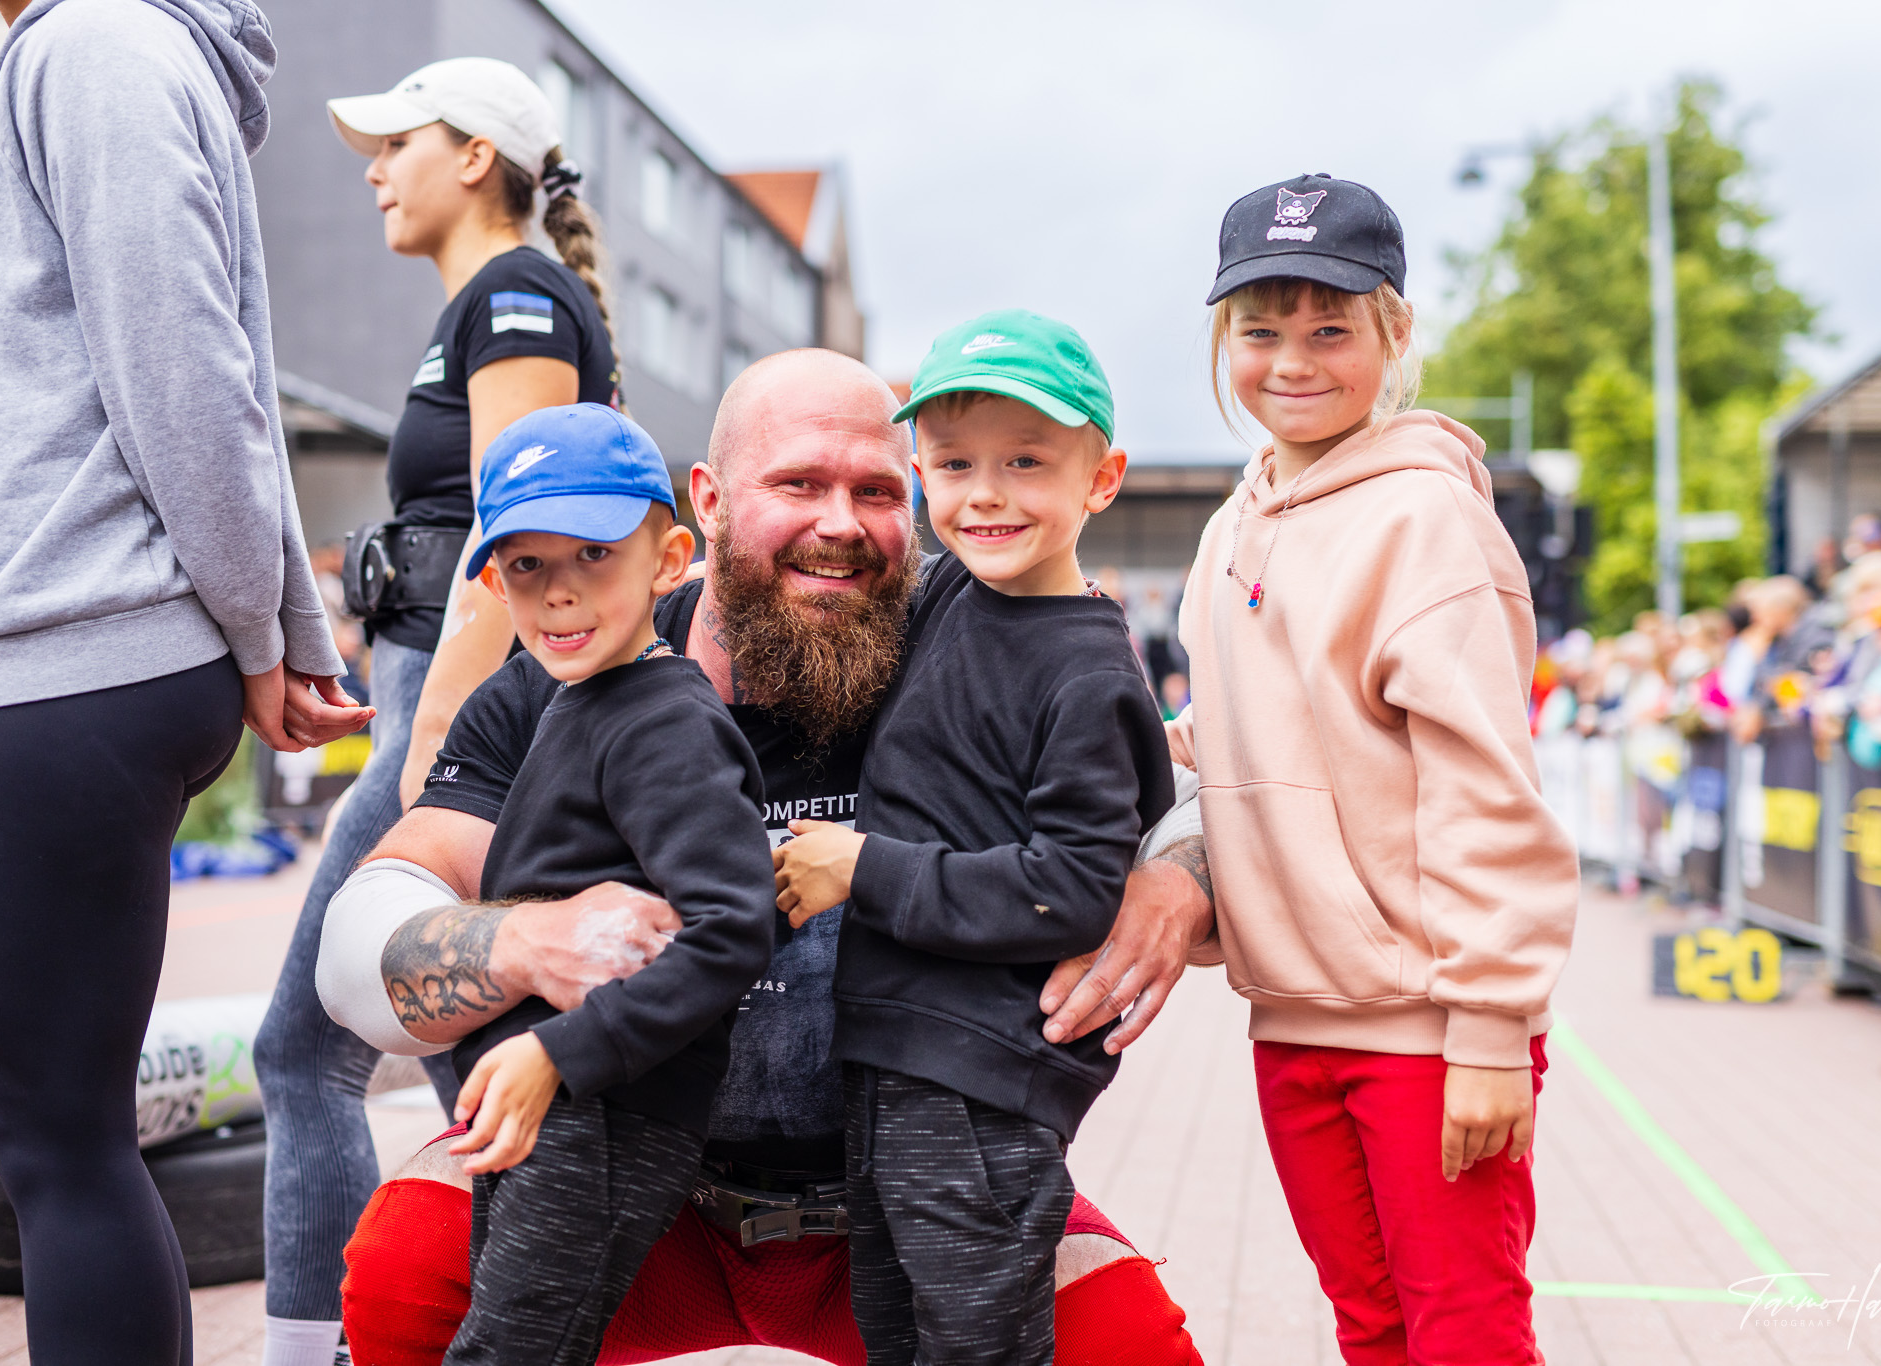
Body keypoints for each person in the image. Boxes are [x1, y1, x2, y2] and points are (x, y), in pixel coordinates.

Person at [317, 349, 1213, 1365]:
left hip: (908, 1200)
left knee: (1130, 1344)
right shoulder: (569, 673)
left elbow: (1186, 792)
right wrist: (522, 943)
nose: (839, 523)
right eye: (797, 483)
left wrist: (1174, 881)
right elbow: (355, 954)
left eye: (876, 491)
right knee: (403, 1268)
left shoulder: (976, 636)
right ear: (705, 504)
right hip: (636, 1199)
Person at [0, 0, 368, 1361]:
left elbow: (191, 377)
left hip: (74, 650)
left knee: (58, 1148)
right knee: (71, 1143)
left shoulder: (96, 44)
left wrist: (267, 636)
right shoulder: (99, 48)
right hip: (91, 649)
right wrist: (278, 628)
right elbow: (218, 372)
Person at [1169, 176, 1579, 1364]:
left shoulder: (1425, 520)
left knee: (1463, 1335)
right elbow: (1221, 739)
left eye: (1329, 328)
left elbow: (1481, 784)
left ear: (1393, 332)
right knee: (1371, 1328)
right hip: (1290, 1017)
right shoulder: (1233, 523)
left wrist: (1489, 1026)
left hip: (1430, 1026)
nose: (1291, 360)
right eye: (1259, 330)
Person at [254, 56, 624, 1366]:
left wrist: (429, 749)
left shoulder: (515, 295)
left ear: (474, 156)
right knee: (468, 1051)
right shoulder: (494, 300)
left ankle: (332, 1350)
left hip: (454, 715)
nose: (373, 170)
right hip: (435, 697)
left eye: (396, 143)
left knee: (304, 1052)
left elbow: (516, 536)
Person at [774, 311, 1175, 1366]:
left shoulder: (1088, 674)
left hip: (978, 1080)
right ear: (921, 474)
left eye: (1025, 462)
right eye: (955, 464)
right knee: (892, 1334)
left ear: (1101, 478)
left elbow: (1070, 889)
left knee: (975, 1344)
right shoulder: (950, 589)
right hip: (891, 1055)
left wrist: (861, 868)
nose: (985, 493)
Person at [422, 404, 775, 1362]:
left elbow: (733, 929)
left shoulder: (665, 723)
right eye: (526, 566)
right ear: (493, 581)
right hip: (553, 1099)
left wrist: (559, 1053)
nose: (559, 593)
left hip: (604, 1109)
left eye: (593, 554)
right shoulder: (581, 700)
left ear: (669, 561)